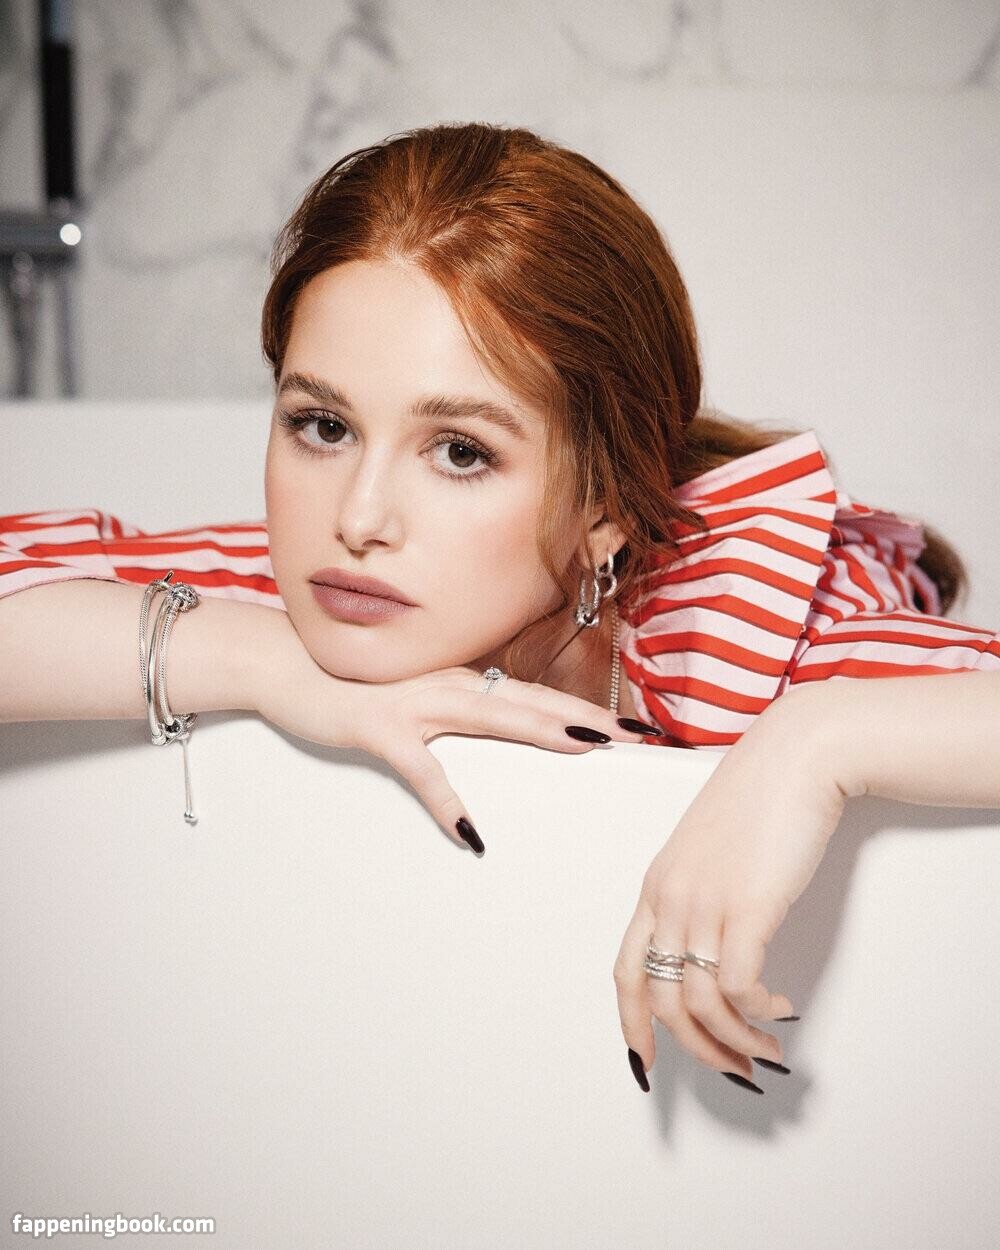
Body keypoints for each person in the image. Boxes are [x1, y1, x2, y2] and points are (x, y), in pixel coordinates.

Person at [2, 122, 998, 1102]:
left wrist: (814, 738)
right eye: (323, 425)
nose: (357, 517)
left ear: (605, 510)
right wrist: (265, 664)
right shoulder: (311, 588)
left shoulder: (736, 635)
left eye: (460, 452)